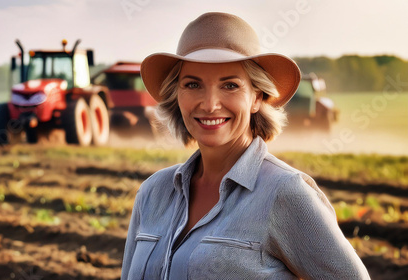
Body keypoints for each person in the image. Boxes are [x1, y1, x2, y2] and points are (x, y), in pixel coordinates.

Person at [121, 12, 370, 280]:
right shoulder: (152, 192)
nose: (210, 104)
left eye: (230, 85)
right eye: (193, 84)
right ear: (177, 95)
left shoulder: (285, 193)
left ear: (257, 98)